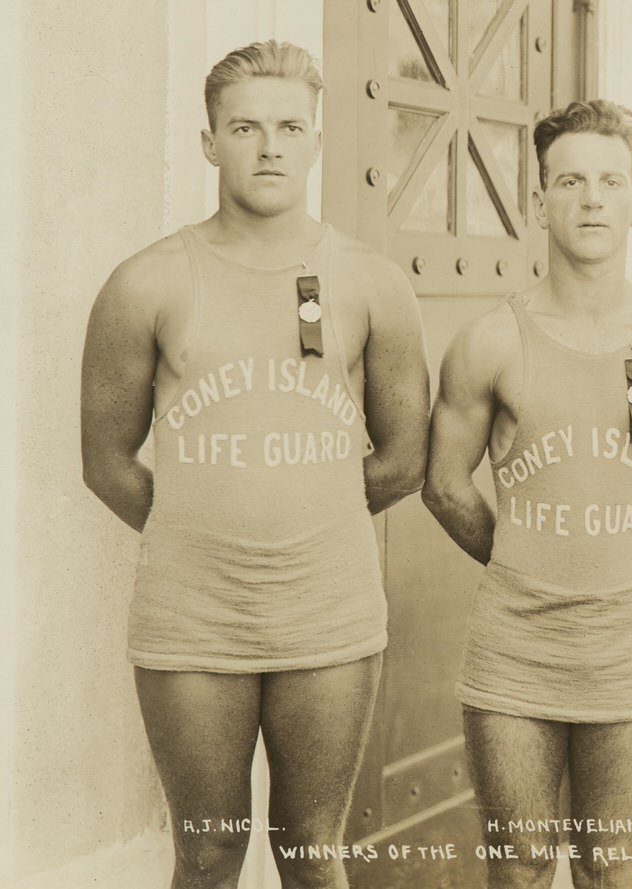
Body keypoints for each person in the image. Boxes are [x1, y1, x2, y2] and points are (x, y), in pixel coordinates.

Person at [80, 41, 430, 889]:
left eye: (287, 127)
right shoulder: (147, 283)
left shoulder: (372, 282)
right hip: (191, 619)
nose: (268, 147)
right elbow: (106, 461)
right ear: (210, 143)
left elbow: (405, 456)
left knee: (313, 848)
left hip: (329, 611)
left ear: (313, 141)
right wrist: (199, 527)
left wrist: (316, 517)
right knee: (207, 852)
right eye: (244, 128)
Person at [421, 99, 632, 889]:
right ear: (538, 200)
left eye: (610, 181)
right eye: (570, 181)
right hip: (517, 649)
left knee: (610, 864)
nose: (591, 199)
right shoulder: (489, 339)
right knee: (519, 867)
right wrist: (522, 557)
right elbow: (444, 481)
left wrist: (627, 546)